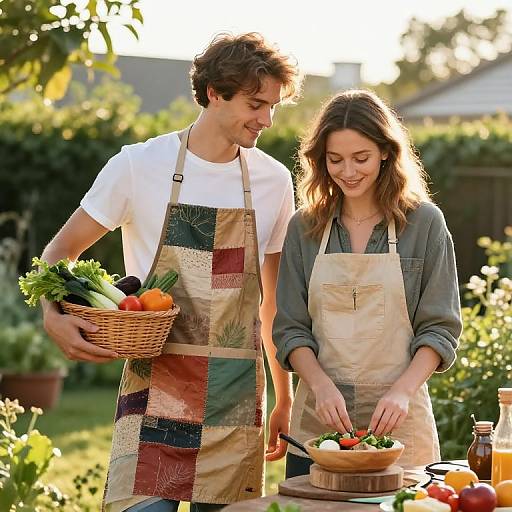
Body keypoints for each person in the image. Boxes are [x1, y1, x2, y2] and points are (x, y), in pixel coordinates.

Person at [40, 32, 302, 511]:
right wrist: (51, 314)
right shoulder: (139, 166)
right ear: (216, 93)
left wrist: (284, 398)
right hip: (154, 389)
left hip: (235, 398)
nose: (266, 119)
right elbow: (59, 252)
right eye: (256, 103)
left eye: (273, 107)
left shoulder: (273, 181)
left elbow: (272, 304)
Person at [272, 89, 462, 478]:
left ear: (386, 153)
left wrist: (402, 391)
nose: (349, 171)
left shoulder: (424, 223)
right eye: (335, 160)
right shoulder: (304, 227)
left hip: (399, 424)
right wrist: (321, 386)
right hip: (319, 425)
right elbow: (290, 328)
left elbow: (440, 328)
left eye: (361, 158)